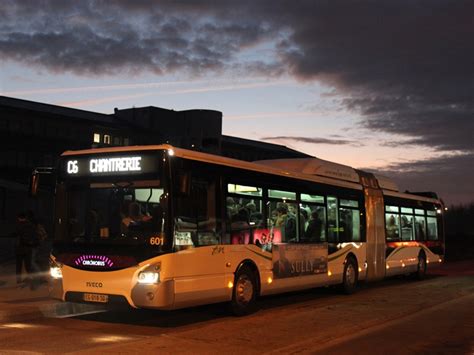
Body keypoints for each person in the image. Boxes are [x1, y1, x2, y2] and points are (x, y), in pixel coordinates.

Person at [15, 212, 40, 289]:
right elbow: (35, 236)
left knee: (19, 265)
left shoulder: (19, 225)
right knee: (28, 265)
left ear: (19, 218)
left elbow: (17, 236)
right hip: (28, 248)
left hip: (20, 248)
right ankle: (31, 280)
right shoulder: (31, 225)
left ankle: (18, 280)